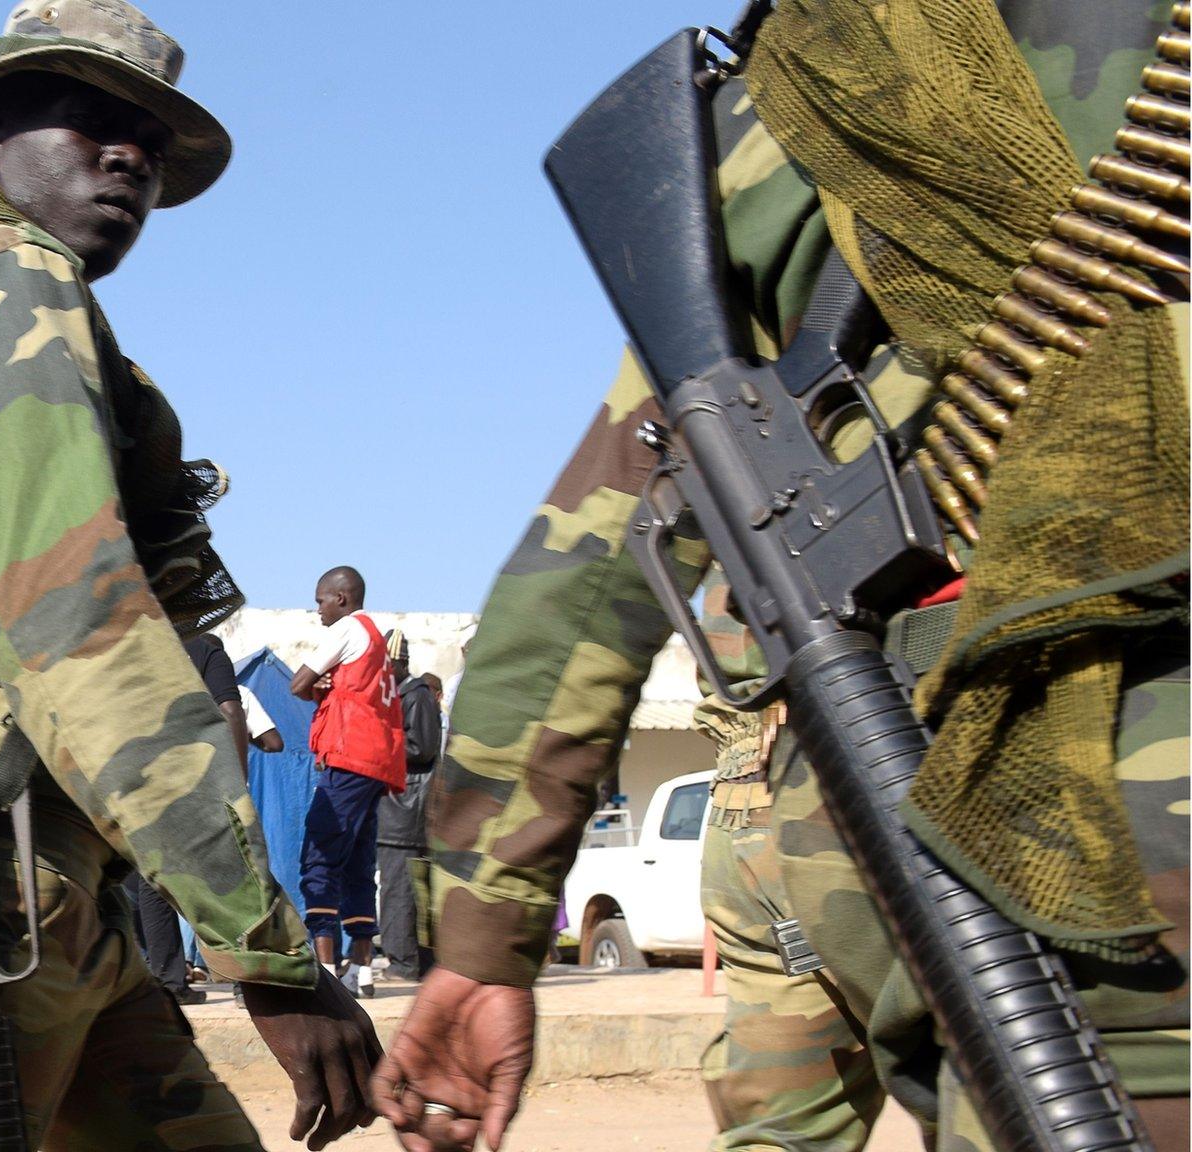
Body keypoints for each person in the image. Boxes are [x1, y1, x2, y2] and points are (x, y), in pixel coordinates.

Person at [373, 3, 1188, 1150]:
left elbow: (595, 548)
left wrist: (481, 934)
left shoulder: (807, 72)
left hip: (957, 828)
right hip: (1039, 828)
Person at [0, 4, 380, 1147]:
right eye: (90, 120)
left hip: (57, 897)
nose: (130, 157)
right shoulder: (2, 281)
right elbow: (79, 626)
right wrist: (269, 957)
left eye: (148, 140)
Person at [289, 565, 406, 998]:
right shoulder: (377, 643)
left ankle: (325, 970)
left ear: (341, 597)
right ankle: (362, 970)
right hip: (376, 765)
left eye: (320, 599)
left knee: (319, 855)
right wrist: (329, 686)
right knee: (358, 863)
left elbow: (298, 684)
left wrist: (317, 685)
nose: (317, 608)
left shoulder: (348, 629)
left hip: (350, 759)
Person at [124, 633, 250, 1005]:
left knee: (155, 882)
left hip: (147, 777)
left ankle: (171, 982)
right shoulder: (207, 650)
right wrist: (236, 780)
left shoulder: (141, 651)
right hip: (200, 776)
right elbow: (229, 710)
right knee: (229, 874)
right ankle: (247, 982)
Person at [376, 630, 441, 982]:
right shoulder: (399, 695)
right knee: (404, 891)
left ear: (399, 663)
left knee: (399, 890)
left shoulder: (416, 696)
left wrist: (378, 743)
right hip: (397, 807)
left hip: (406, 811)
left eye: (384, 664)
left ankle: (403, 963)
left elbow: (423, 747)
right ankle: (415, 963)